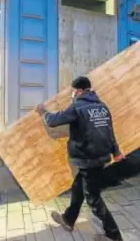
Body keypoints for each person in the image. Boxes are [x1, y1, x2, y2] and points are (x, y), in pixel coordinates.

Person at [34, 76, 124, 241]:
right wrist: (116, 152)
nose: (72, 94)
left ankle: (114, 236)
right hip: (100, 157)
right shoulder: (103, 107)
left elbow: (53, 121)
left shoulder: (77, 107)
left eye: (73, 91)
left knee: (93, 200)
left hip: (87, 159)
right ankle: (69, 219)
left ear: (80, 90)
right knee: (78, 186)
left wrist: (43, 111)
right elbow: (110, 132)